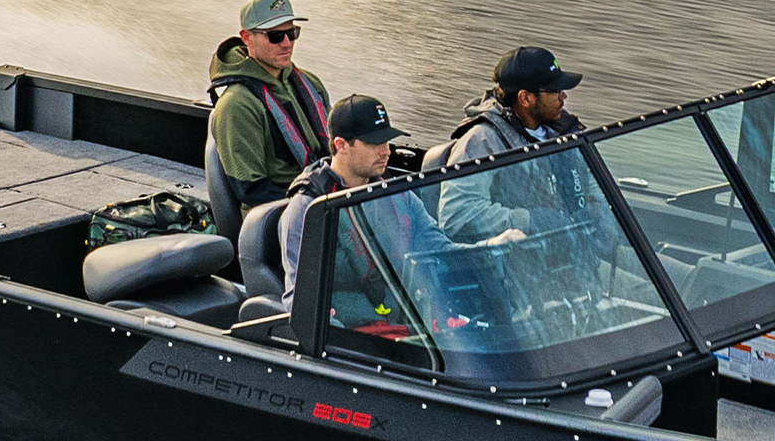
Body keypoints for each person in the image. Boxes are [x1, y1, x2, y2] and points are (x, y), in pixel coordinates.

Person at [240, 93, 411, 306]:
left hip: (401, 314)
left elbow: (433, 241)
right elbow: (301, 301)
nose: (386, 151)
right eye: (373, 143)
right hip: (346, 326)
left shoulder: (397, 192)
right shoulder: (308, 209)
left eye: (387, 141)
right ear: (341, 146)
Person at [200, 0, 332, 237]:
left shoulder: (310, 83)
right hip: (277, 218)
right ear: (246, 38)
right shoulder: (237, 104)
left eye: (291, 33)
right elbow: (252, 190)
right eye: (274, 36)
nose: (286, 43)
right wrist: (318, 204)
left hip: (320, 199)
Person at [436, 45, 588, 168]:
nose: (564, 96)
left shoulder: (566, 131)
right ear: (526, 98)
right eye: (556, 91)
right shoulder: (482, 141)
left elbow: (594, 190)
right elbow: (458, 204)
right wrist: (527, 208)